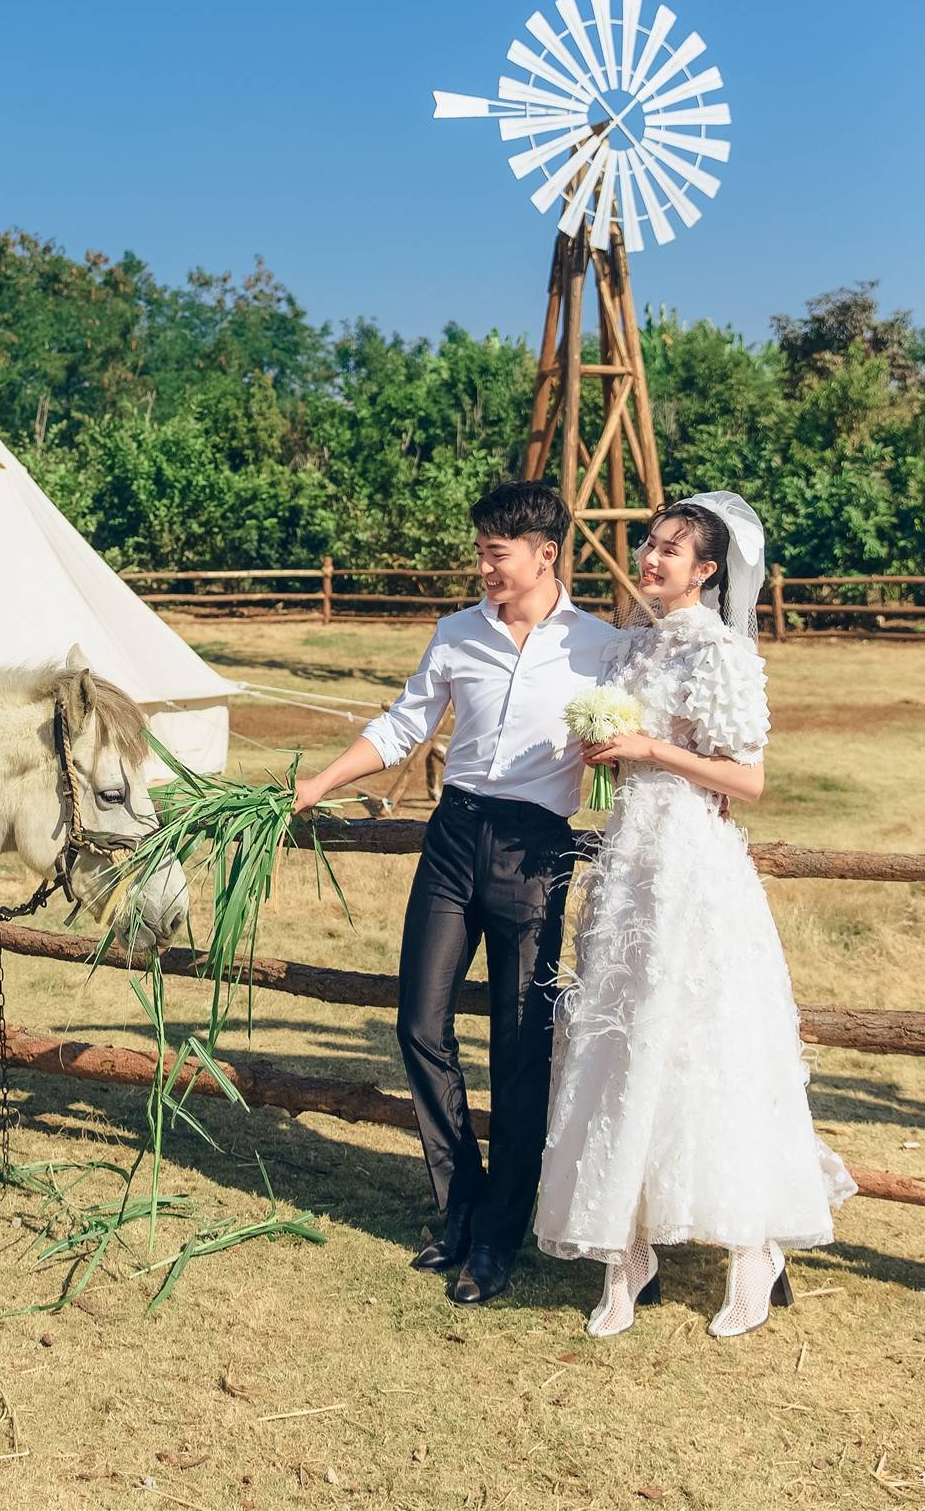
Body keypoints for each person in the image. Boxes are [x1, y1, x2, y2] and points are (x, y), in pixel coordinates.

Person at [534, 491, 856, 1339]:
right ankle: (624, 1248)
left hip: (693, 871)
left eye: (671, 549)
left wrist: (646, 749)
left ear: (708, 570)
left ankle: (752, 1246)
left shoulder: (722, 652)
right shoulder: (635, 646)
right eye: (650, 542)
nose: (651, 556)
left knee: (707, 1043)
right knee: (620, 1040)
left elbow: (745, 779)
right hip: (628, 865)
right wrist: (601, 752)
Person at [292, 481, 615, 1305]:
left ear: (545, 554)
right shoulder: (455, 633)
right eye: (478, 551)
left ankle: (500, 1234)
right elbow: (405, 726)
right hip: (452, 836)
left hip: (537, 850)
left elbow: (638, 737)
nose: (481, 567)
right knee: (419, 1022)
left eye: (495, 554)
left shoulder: (602, 648)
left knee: (517, 1048)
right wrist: (322, 781)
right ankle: (461, 1203)